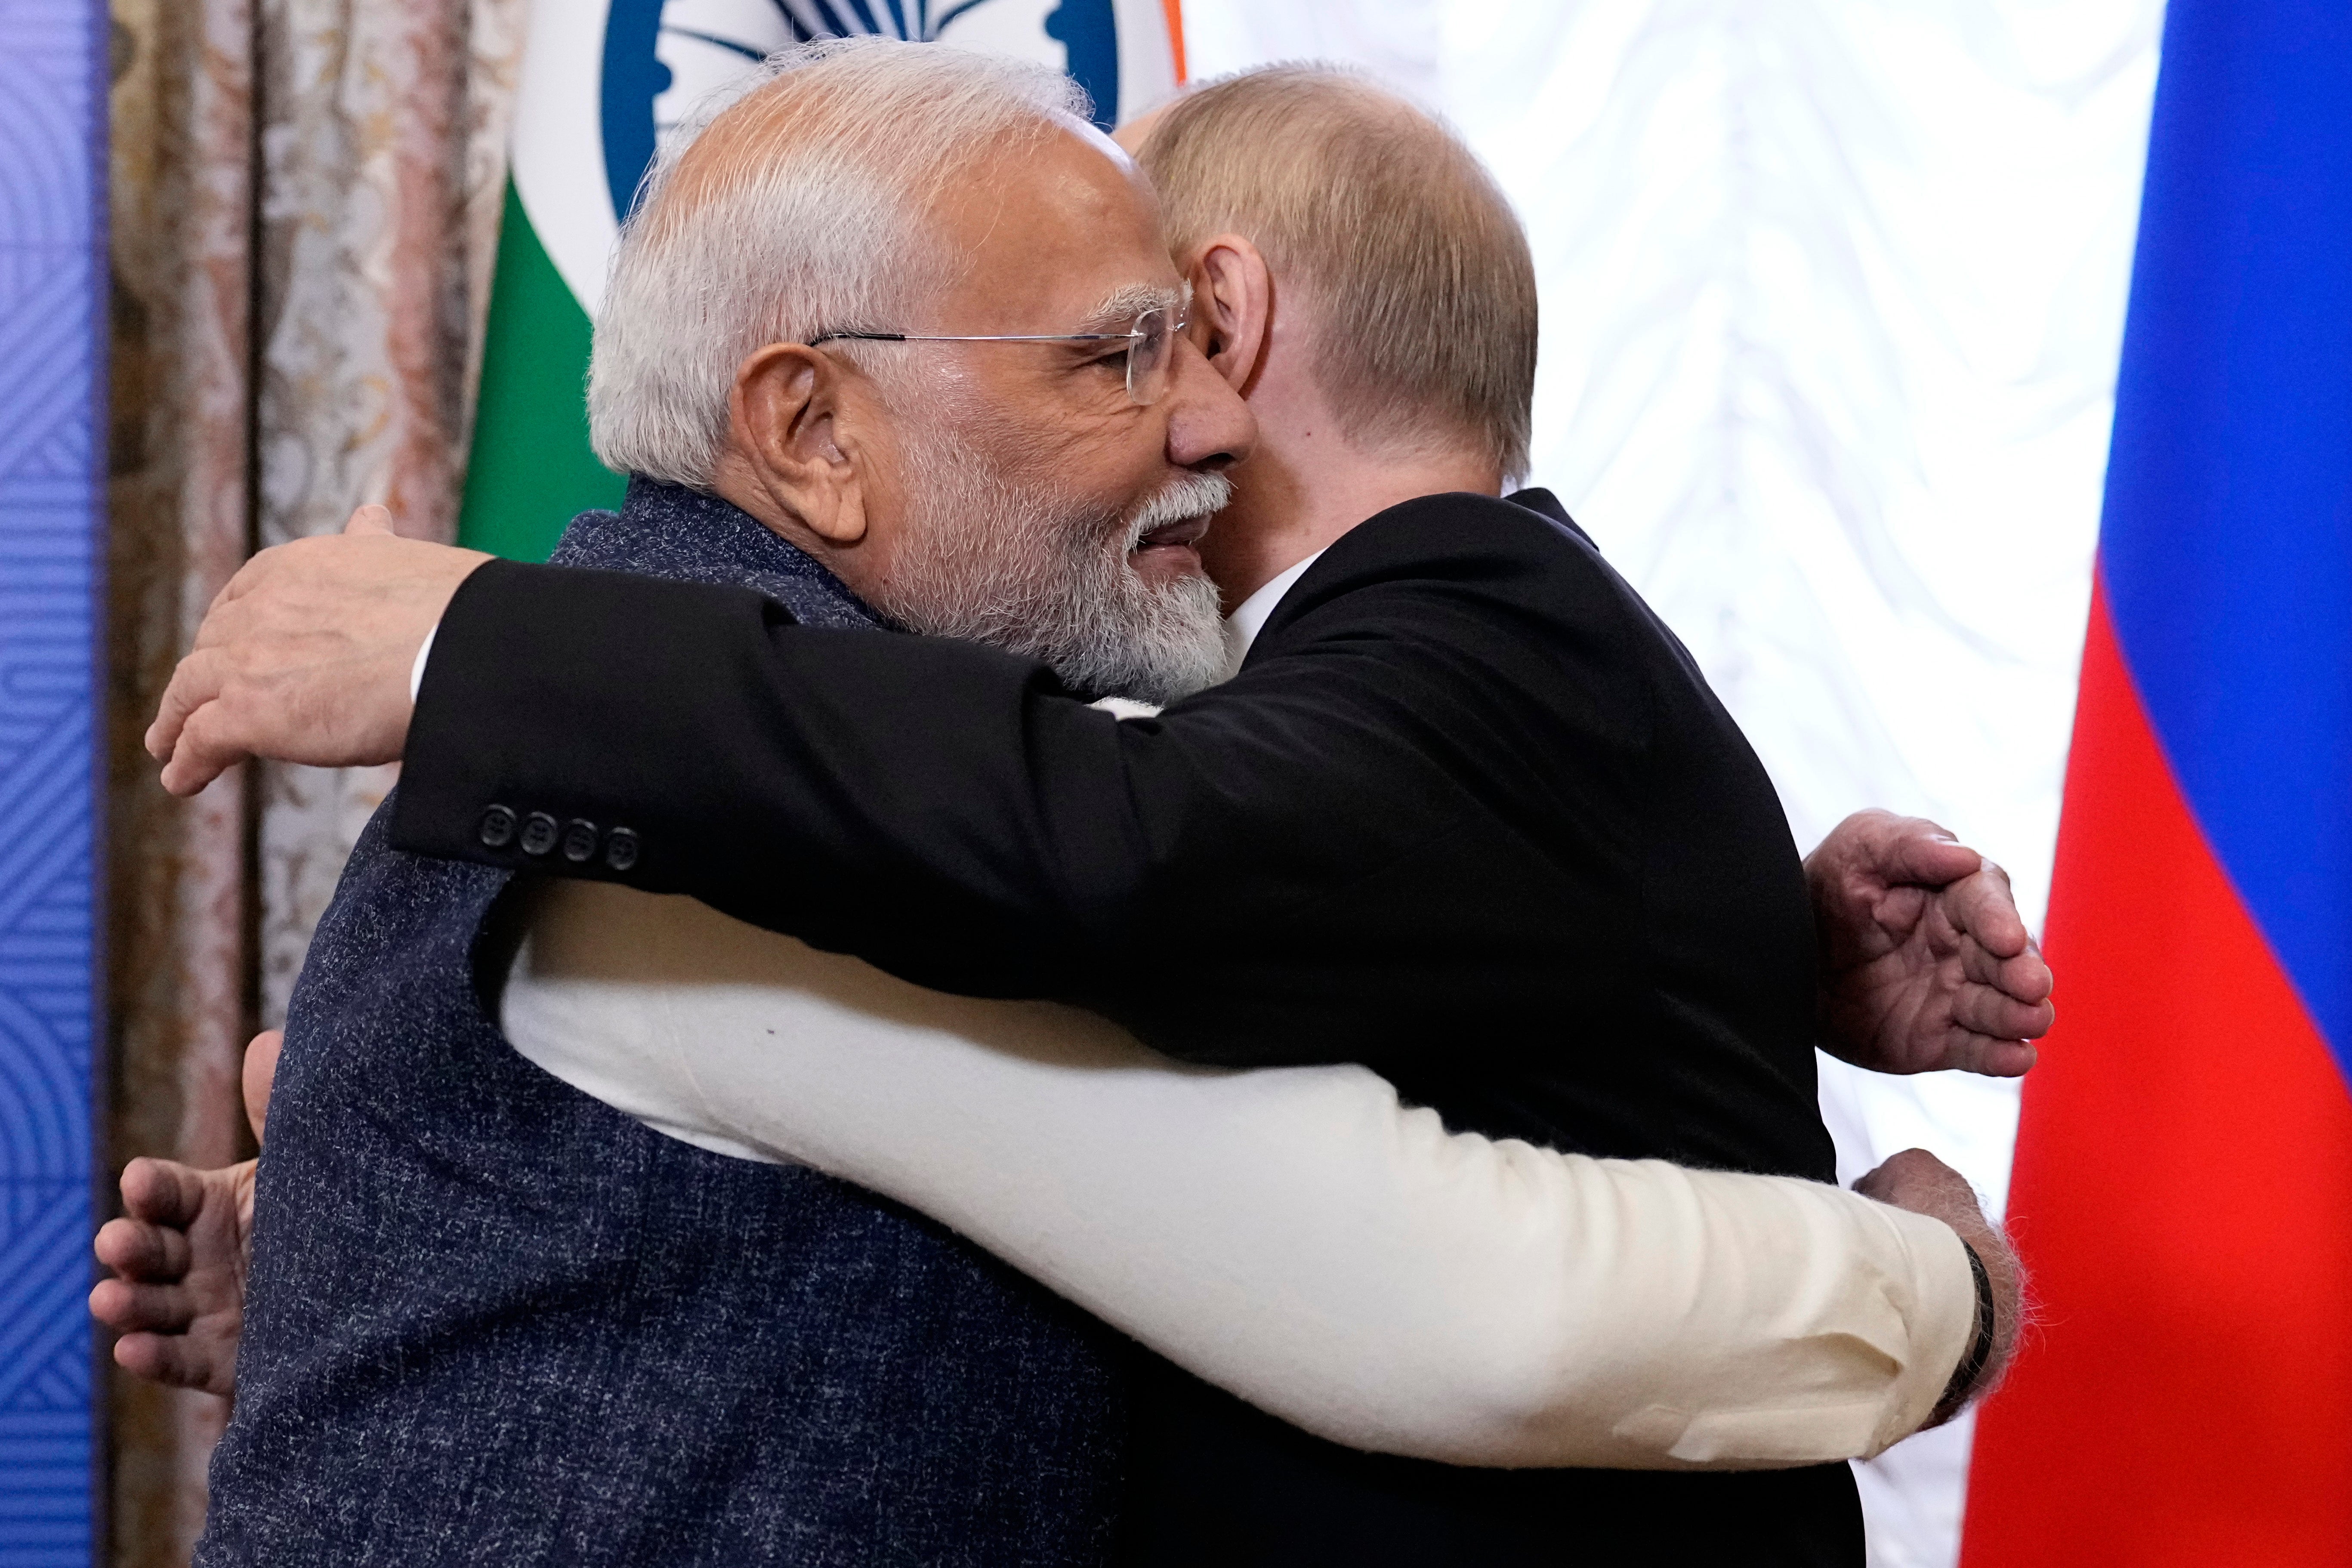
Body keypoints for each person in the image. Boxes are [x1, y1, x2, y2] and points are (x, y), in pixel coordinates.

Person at [132, 46, 2049, 1566]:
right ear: (811, 432)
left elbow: (1179, 862)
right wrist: (1932, 1283)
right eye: (1114, 357)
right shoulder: (734, 823)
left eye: (1182, 343)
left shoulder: (710, 737)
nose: (1200, 418)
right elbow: (1446, 1298)